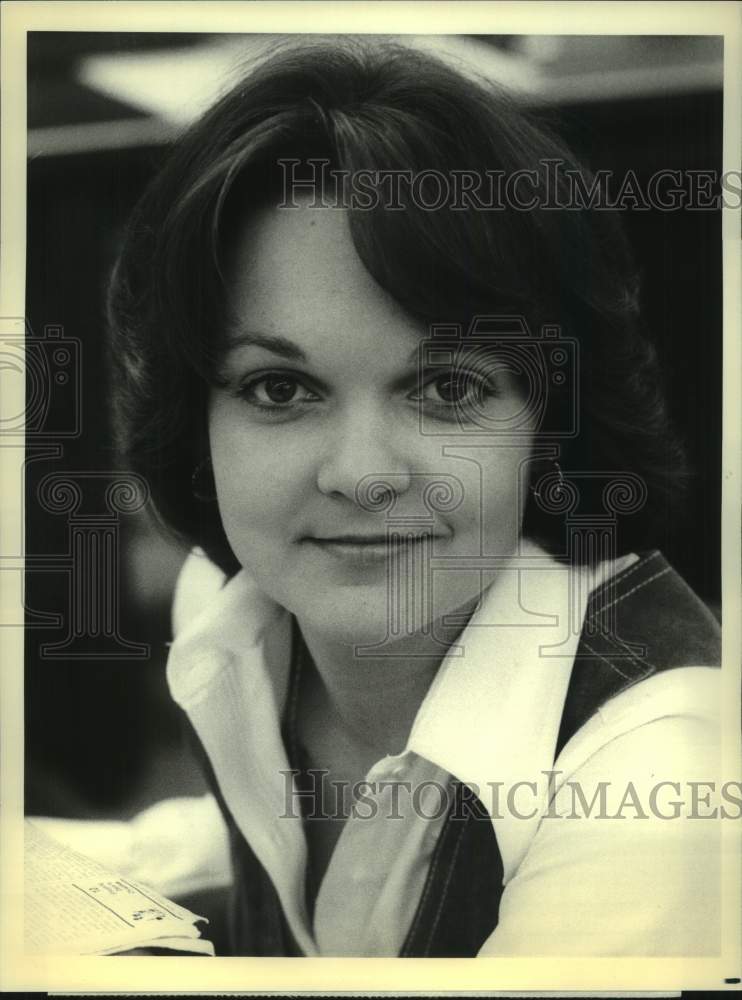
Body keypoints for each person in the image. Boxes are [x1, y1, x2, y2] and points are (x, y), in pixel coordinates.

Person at [102, 38, 721, 956]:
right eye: (281, 389)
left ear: (547, 422)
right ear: (196, 420)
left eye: (447, 391)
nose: (361, 473)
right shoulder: (236, 623)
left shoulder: (659, 785)